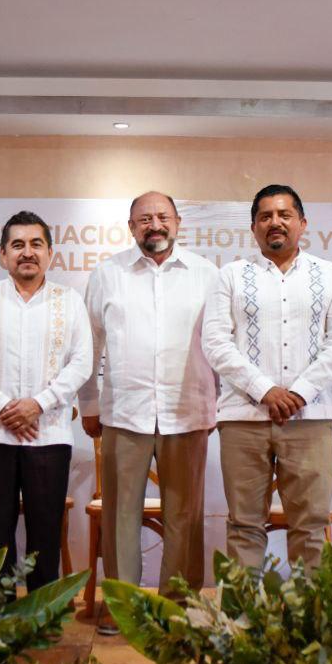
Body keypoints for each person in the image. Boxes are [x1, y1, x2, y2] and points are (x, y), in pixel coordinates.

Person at [79, 191, 218, 632]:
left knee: (185, 516)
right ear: (131, 226)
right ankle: (123, 606)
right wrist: (89, 403)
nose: (154, 225)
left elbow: (221, 344)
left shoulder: (206, 275)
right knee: (121, 514)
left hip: (187, 411)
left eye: (162, 217)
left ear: (177, 222)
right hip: (125, 413)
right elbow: (89, 345)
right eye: (144, 219)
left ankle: (180, 607)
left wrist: (214, 402)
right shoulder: (108, 274)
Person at [202, 184, 332, 570]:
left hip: (311, 418)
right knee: (244, 525)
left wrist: (299, 392)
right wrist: (265, 390)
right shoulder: (231, 276)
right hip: (243, 418)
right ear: (253, 227)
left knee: (311, 525)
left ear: (302, 223)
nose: (275, 222)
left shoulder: (329, 275)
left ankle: (309, 609)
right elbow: (216, 342)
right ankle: (242, 609)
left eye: (285, 215)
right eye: (266, 216)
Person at [0, 211, 92, 590]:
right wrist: (2, 405)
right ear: (3, 254)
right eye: (18, 245)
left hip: (48, 434)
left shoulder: (69, 301)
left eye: (35, 244)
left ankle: (41, 611)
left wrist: (38, 404)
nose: (27, 252)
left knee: (45, 529)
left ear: (49, 253)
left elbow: (82, 362)